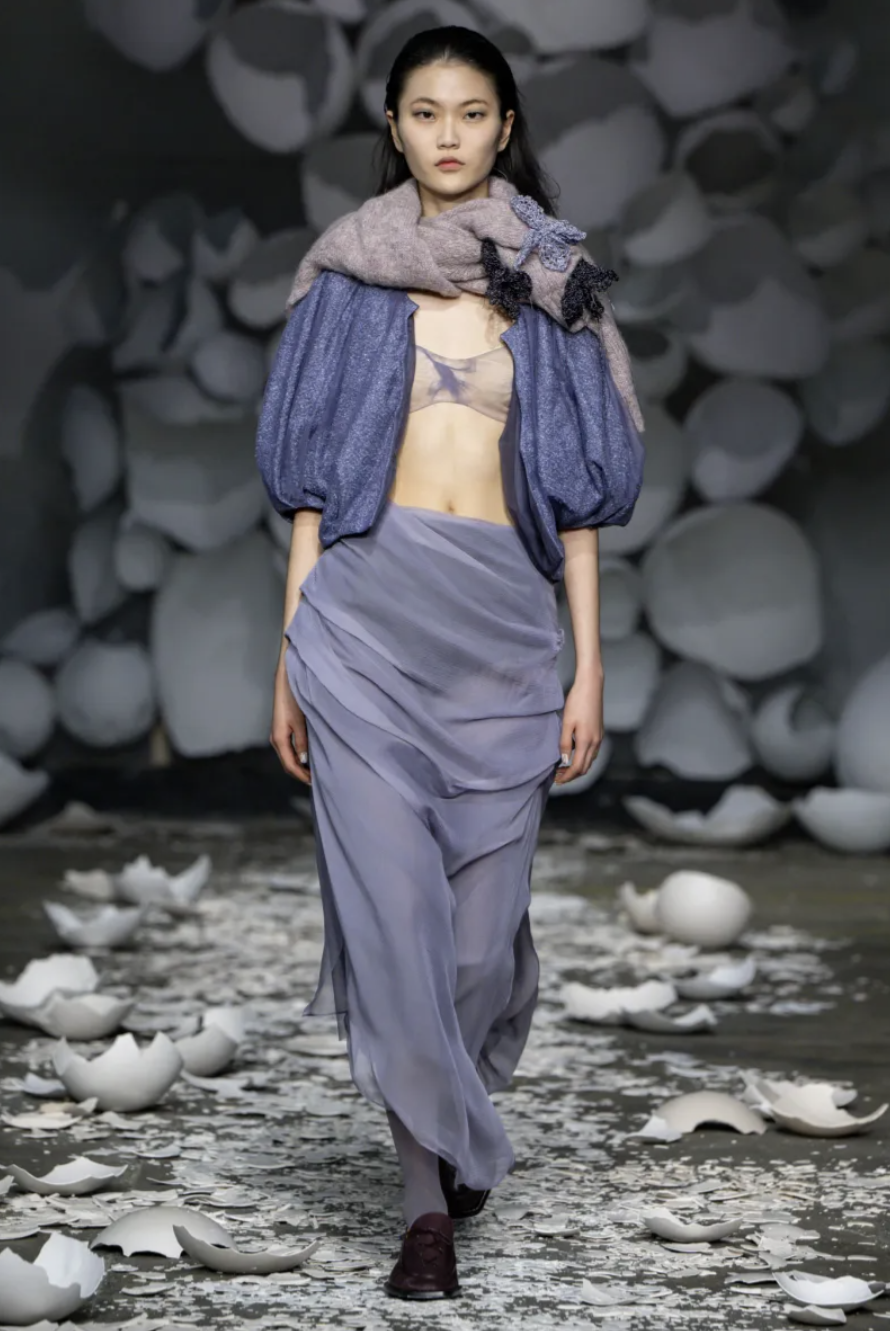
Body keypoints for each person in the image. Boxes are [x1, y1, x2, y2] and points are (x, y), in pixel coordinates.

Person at [256, 25, 645, 1302]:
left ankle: (456, 1114)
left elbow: (578, 503)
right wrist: (288, 657)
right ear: (393, 125)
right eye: (422, 112)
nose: (446, 135)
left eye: (470, 112)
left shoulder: (551, 283)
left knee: (476, 946)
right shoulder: (347, 279)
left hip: (501, 635)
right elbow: (310, 491)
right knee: (398, 926)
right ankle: (425, 1206)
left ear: (503, 127)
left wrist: (588, 667)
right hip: (362, 623)